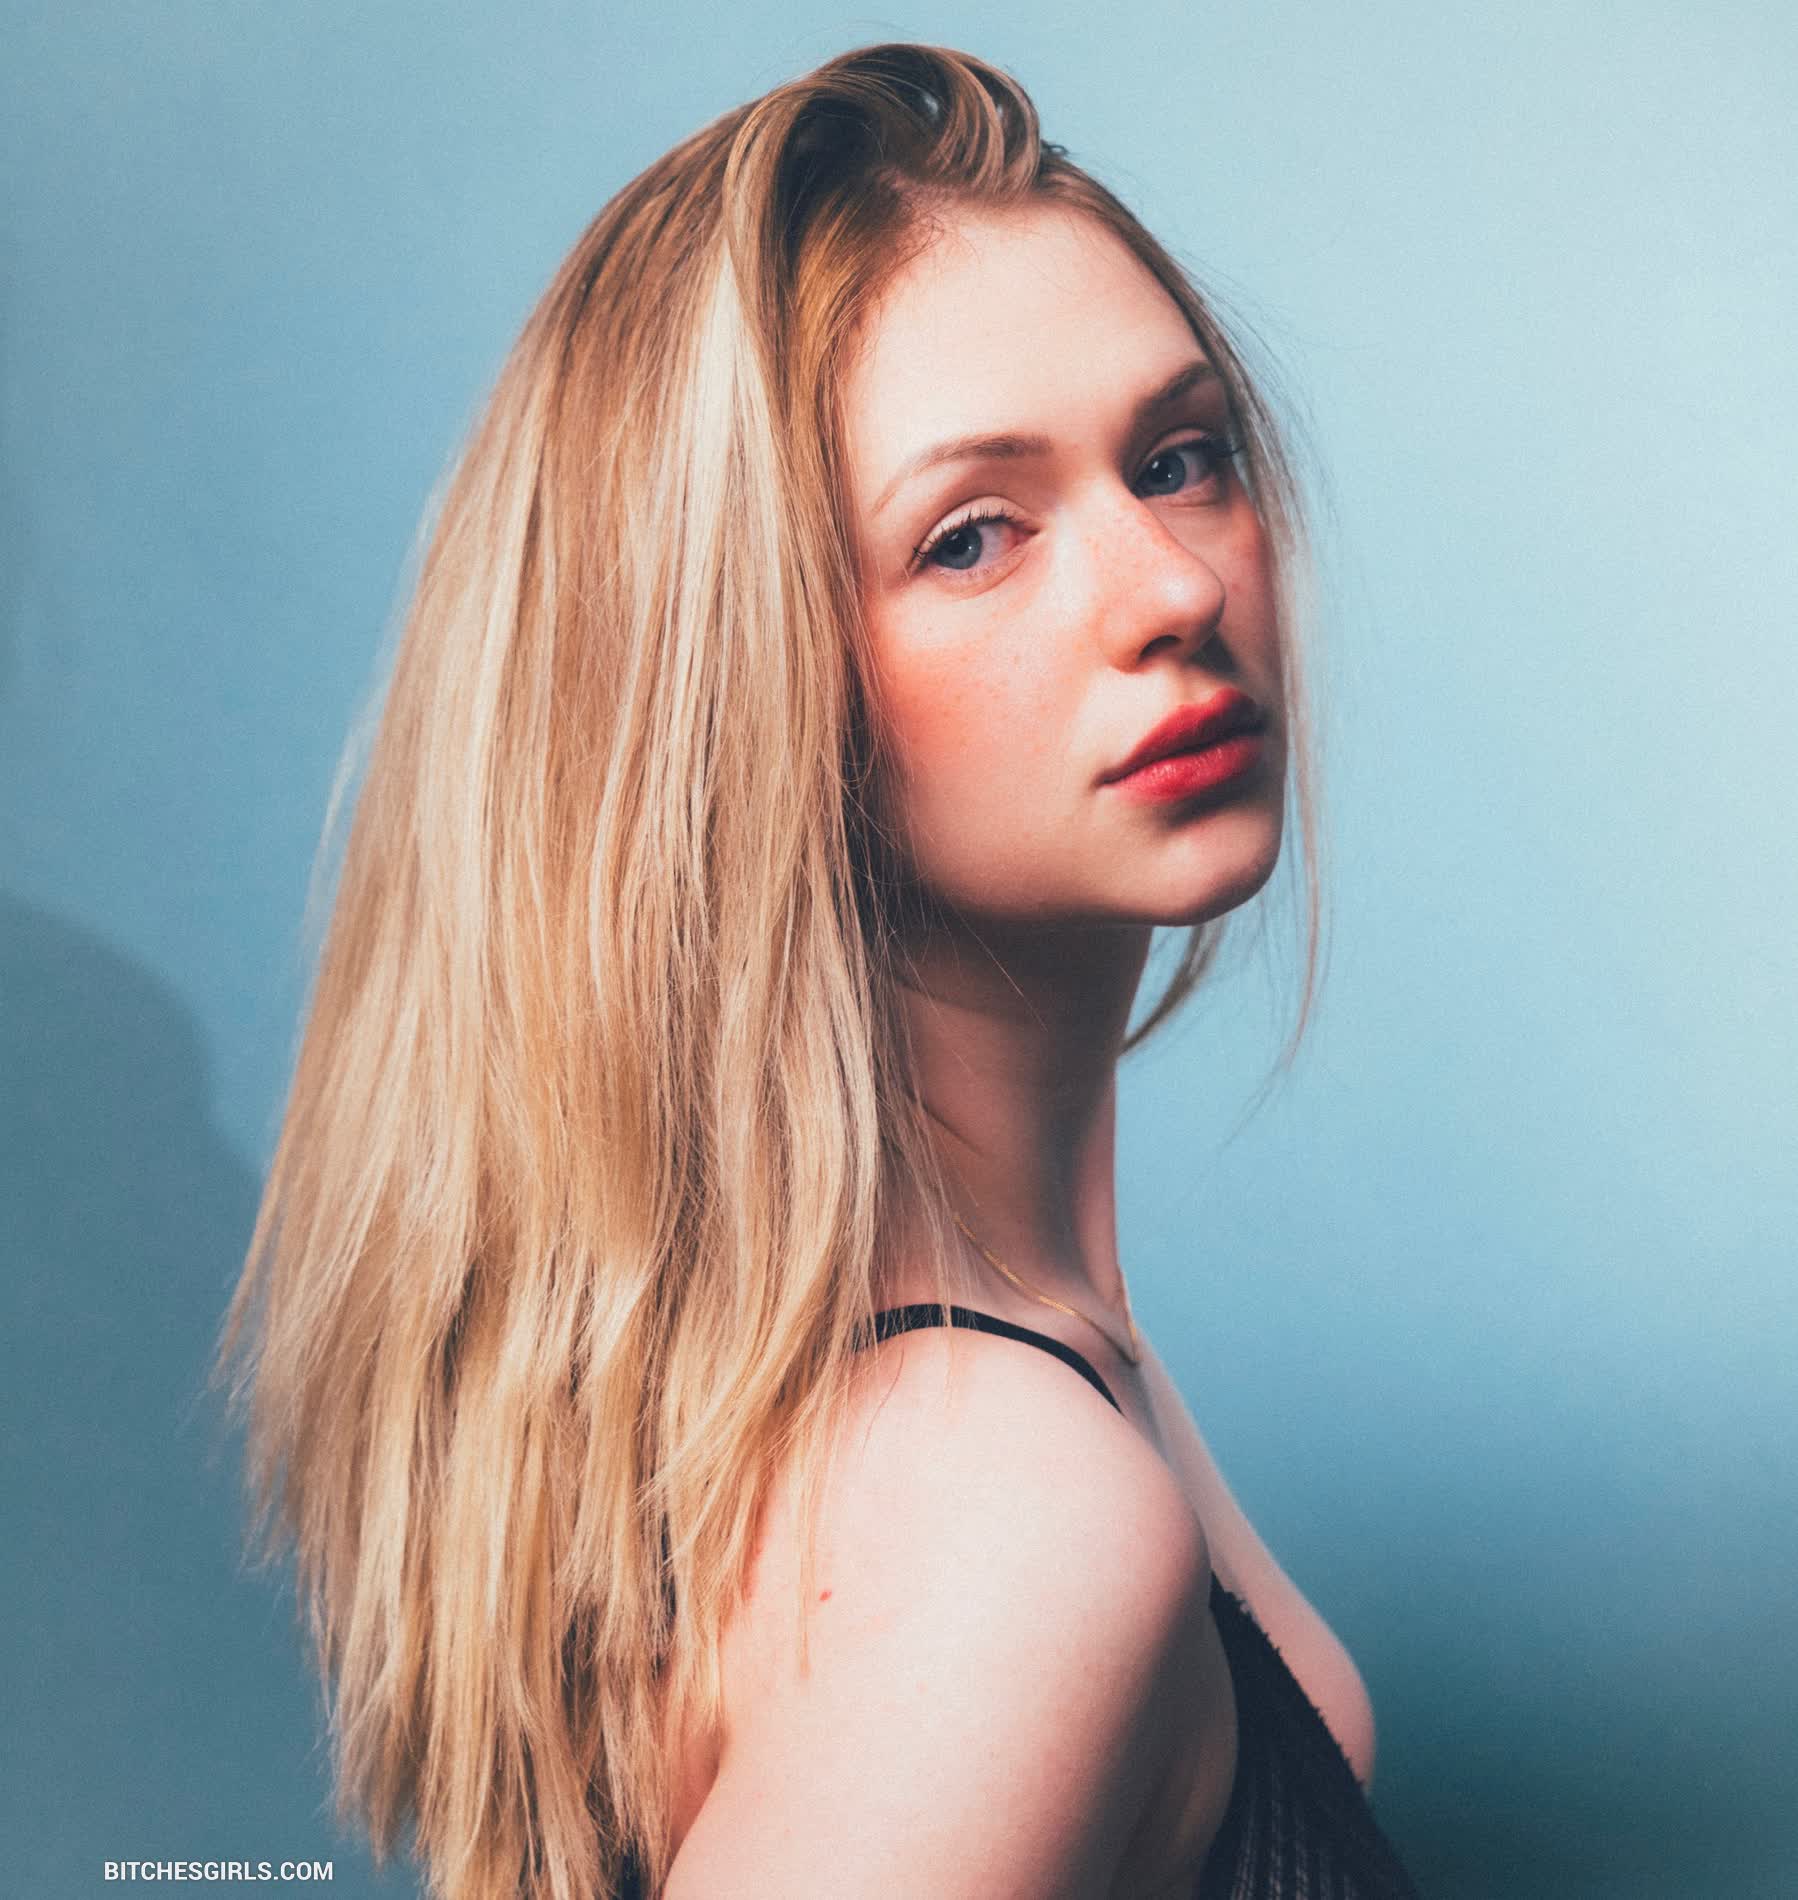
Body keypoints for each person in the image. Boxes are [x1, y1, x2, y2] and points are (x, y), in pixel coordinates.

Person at [215, 41, 1423, 1900]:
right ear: (735, 687)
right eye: (971, 536)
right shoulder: (997, 1509)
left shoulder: (1001, 1353)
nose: (1173, 588)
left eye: (1176, 459)